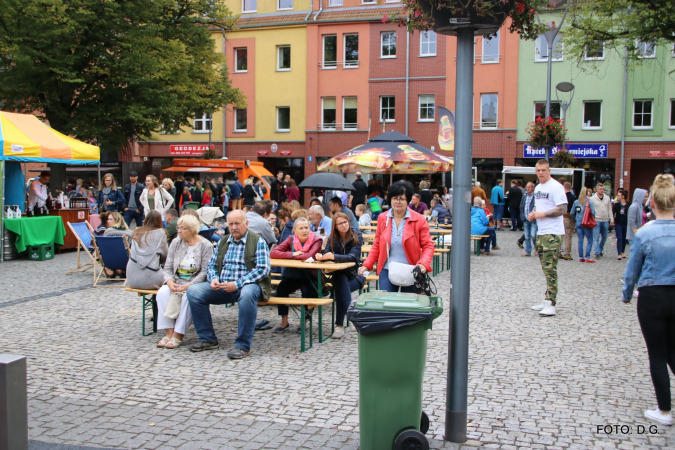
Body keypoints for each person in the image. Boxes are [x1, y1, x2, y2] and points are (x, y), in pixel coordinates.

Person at [621, 174, 675, 426]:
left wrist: (626, 294)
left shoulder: (644, 234)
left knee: (657, 355)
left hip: (652, 296)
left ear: (650, 203)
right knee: (673, 351)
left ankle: (664, 411)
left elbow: (632, 271)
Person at [186, 210, 272, 358]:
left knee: (247, 294)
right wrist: (213, 279)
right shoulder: (223, 241)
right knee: (193, 291)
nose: (233, 227)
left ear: (246, 223)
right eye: (230, 224)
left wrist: (237, 284)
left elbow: (263, 269)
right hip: (223, 286)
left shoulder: (258, 241)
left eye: (237, 223)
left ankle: (243, 345)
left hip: (247, 285)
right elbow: (211, 266)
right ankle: (208, 339)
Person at [358, 180, 435, 293]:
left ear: (408, 200)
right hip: (387, 269)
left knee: (408, 307)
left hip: (411, 269)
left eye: (401, 198)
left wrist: (423, 263)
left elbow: (428, 245)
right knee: (387, 305)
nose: (398, 202)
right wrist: (367, 264)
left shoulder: (419, 219)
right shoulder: (383, 218)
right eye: (395, 198)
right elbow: (377, 244)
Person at [155, 214, 214, 349]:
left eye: (183, 228)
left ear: (193, 230)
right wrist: (169, 282)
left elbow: (205, 271)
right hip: (176, 281)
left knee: (190, 295)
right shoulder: (176, 242)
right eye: (178, 228)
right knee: (162, 292)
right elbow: (168, 267)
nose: (179, 231)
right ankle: (169, 332)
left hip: (194, 283)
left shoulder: (206, 245)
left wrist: (189, 285)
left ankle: (178, 334)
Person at [315, 212, 365, 338]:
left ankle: (339, 326)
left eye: (345, 222)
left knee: (340, 287)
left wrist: (335, 257)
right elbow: (327, 253)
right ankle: (350, 318)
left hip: (356, 275)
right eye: (340, 223)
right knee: (341, 281)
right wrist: (321, 256)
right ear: (335, 226)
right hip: (340, 275)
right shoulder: (333, 237)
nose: (344, 225)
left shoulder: (356, 235)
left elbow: (354, 257)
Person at [528, 160, 567, 317]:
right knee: (545, 268)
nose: (540, 173)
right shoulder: (538, 187)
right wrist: (534, 213)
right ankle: (546, 299)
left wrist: (542, 214)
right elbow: (540, 206)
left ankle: (551, 303)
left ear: (549, 170)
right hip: (541, 231)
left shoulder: (556, 187)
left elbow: (563, 208)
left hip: (553, 232)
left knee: (551, 269)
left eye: (543, 170)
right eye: (538, 170)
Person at [269, 218, 323, 331]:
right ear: (294, 231)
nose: (304, 230)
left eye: (306, 228)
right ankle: (284, 321)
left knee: (311, 291)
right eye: (301, 228)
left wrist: (289, 255)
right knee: (281, 289)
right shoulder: (290, 239)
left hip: (311, 275)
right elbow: (274, 253)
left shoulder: (317, 240)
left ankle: (304, 321)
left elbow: (309, 256)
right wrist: (293, 253)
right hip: (293, 275)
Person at [126, 211, 169, 290]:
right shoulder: (160, 234)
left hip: (132, 278)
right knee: (170, 280)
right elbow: (166, 256)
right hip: (152, 279)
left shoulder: (136, 232)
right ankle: (157, 302)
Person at [570, 187, 596, 263]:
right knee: (590, 240)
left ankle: (581, 257)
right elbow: (593, 212)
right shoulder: (589, 202)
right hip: (586, 222)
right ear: (587, 193)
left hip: (578, 222)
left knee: (580, 240)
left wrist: (574, 218)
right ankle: (587, 256)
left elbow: (572, 212)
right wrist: (593, 219)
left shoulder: (576, 202)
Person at [590, 183, 613, 258]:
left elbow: (609, 209)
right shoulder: (592, 199)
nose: (602, 190)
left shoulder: (607, 198)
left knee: (604, 237)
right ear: (596, 189)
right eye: (600, 189)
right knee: (596, 237)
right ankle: (597, 252)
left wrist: (611, 219)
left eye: (603, 189)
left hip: (605, 219)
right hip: (597, 219)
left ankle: (600, 249)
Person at [519, 182, 537, 257]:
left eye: (529, 187)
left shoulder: (535, 196)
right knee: (526, 236)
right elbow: (521, 207)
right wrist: (522, 216)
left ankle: (537, 249)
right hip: (525, 219)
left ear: (533, 188)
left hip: (533, 219)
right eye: (527, 187)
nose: (528, 188)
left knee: (533, 235)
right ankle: (528, 251)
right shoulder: (524, 196)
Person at [561, 182, 576, 261]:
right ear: (571, 188)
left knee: (560, 235)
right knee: (568, 236)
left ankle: (558, 252)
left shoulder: (561, 197)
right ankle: (567, 253)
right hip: (569, 218)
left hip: (560, 218)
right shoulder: (573, 198)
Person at [613, 189, 629, 260]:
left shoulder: (629, 205)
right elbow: (613, 213)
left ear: (623, 196)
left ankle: (623, 251)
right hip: (618, 223)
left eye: (619, 195)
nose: (617, 196)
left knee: (624, 238)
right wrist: (612, 220)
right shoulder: (616, 205)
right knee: (619, 237)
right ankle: (619, 253)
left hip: (626, 223)